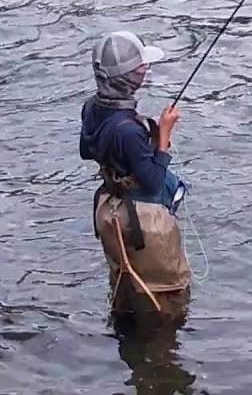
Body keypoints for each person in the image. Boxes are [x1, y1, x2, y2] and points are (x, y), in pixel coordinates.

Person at [80, 30, 192, 310]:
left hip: (108, 211)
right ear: (126, 78)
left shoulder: (91, 107)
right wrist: (163, 134)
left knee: (125, 282)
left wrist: (135, 148)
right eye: (141, 66)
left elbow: (86, 150)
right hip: (140, 220)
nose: (146, 70)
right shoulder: (129, 131)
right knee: (168, 295)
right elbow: (153, 182)